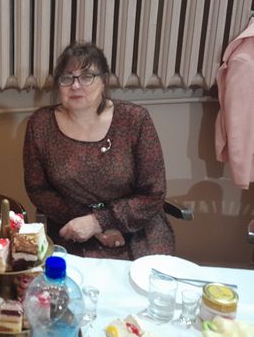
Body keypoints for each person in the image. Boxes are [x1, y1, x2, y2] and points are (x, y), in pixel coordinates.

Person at [23, 42, 174, 259]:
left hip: (138, 229)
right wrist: (88, 224)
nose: (75, 86)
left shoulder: (135, 120)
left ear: (104, 81)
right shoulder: (41, 124)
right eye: (67, 78)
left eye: (86, 77)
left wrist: (99, 221)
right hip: (74, 228)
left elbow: (153, 193)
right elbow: (38, 190)